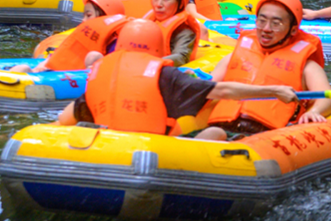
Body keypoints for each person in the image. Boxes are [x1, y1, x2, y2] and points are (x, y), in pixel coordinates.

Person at [57, 18, 299, 140]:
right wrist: (275, 91)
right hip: (148, 151)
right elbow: (224, 91)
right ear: (158, 49)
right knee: (217, 135)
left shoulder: (102, 71)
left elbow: (64, 117)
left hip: (101, 143)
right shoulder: (166, 74)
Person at [207, 0, 331, 136]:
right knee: (212, 133)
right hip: (224, 125)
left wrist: (314, 112)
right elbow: (207, 87)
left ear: (293, 30)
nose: (266, 29)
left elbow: (327, 99)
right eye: (262, 21)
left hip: (268, 134)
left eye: (276, 23)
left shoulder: (308, 66)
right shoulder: (235, 56)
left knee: (214, 134)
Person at [32, 0, 127, 72]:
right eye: (84, 15)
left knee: (93, 57)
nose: (83, 20)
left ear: (106, 19)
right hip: (58, 73)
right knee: (23, 68)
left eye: (88, 15)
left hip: (78, 79)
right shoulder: (82, 36)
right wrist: (45, 63)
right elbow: (62, 53)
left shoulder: (116, 45)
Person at [144, 0, 204, 66]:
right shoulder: (148, 21)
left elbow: (181, 57)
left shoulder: (186, 33)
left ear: (180, 3)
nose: (159, 4)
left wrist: (149, 63)